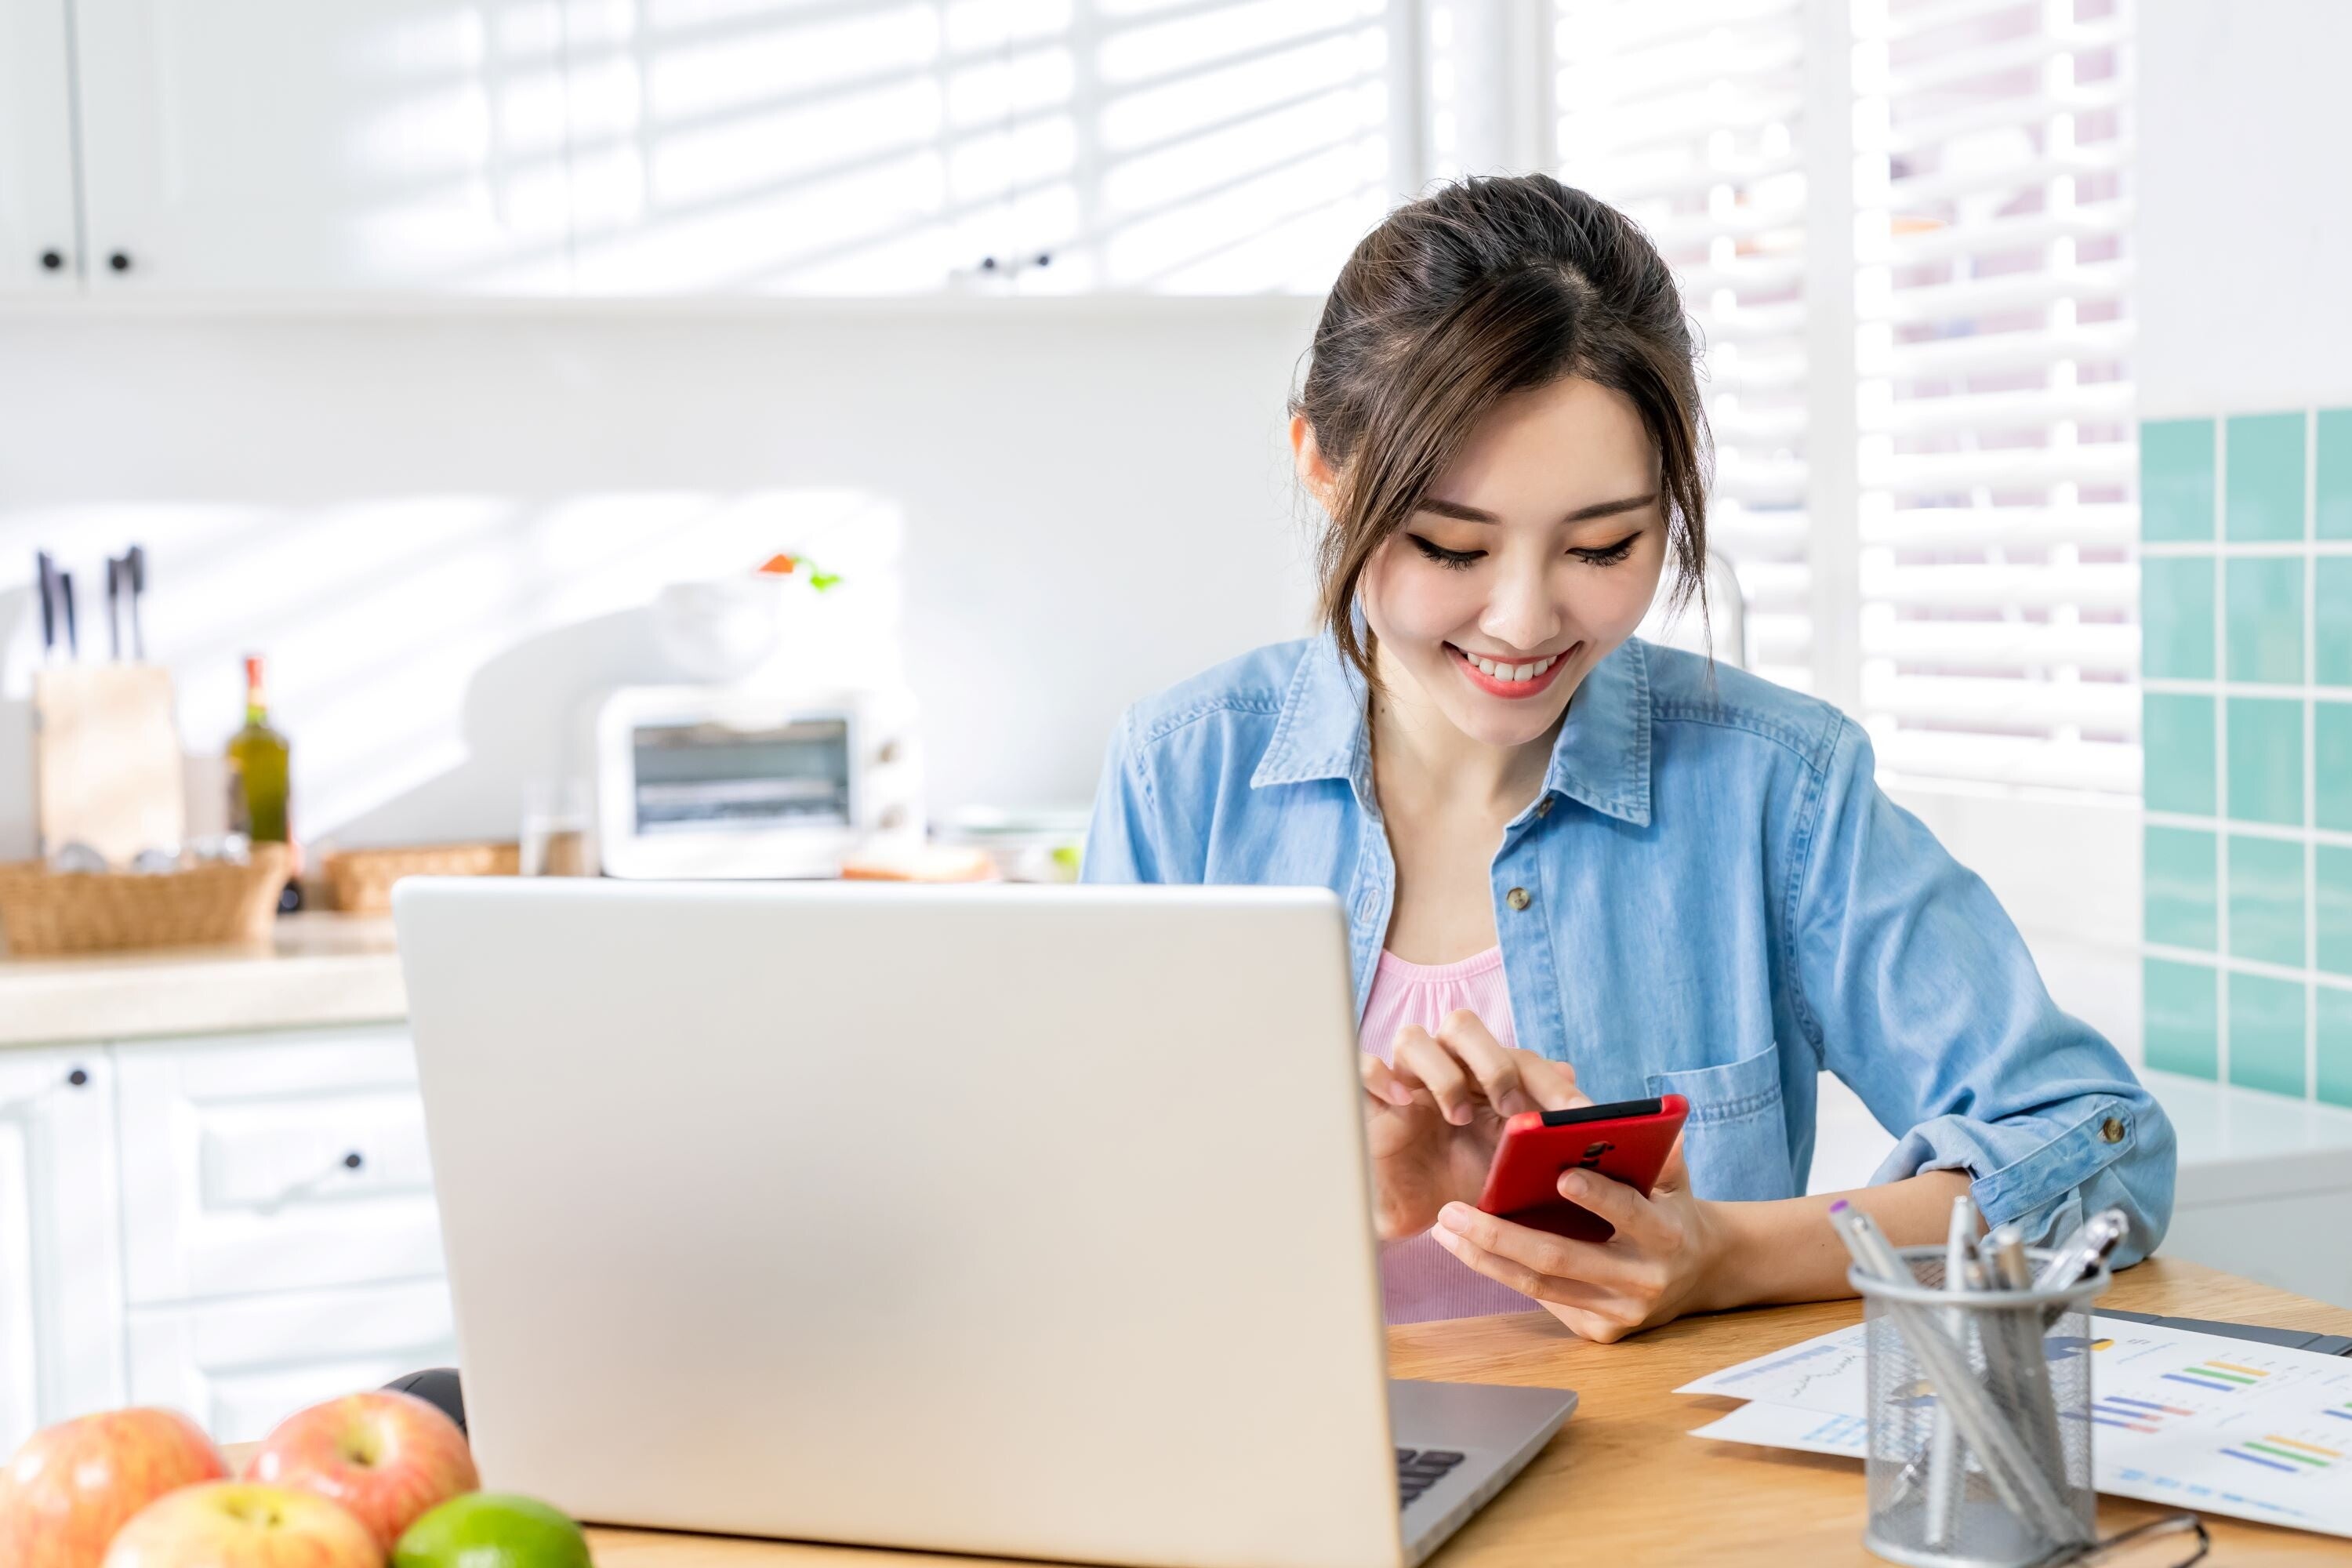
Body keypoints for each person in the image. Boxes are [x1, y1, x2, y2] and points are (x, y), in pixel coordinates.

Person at [1080, 173, 2174, 1339]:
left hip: (1662, 1504)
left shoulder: (1778, 790)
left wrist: (1726, 1254)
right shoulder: (1182, 776)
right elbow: (1072, 1216)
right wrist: (1334, 1198)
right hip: (1281, 1486)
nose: (1520, 621)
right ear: (1324, 470)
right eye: (1451, 545)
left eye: (1604, 545)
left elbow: (2096, 1150)